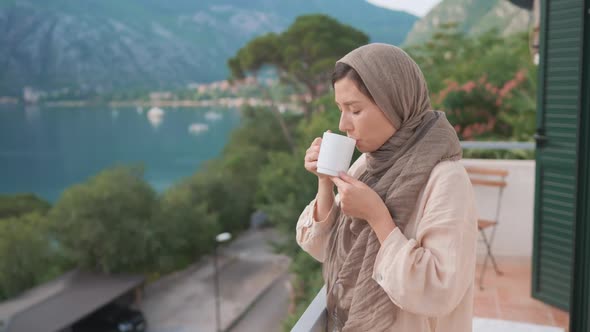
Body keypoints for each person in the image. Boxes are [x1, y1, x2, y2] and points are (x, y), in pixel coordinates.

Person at [296, 43, 478, 332]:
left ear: (395, 103)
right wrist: (324, 181)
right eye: (340, 109)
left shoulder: (447, 179)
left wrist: (379, 218)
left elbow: (438, 290)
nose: (344, 124)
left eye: (354, 110)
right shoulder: (366, 167)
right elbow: (322, 249)